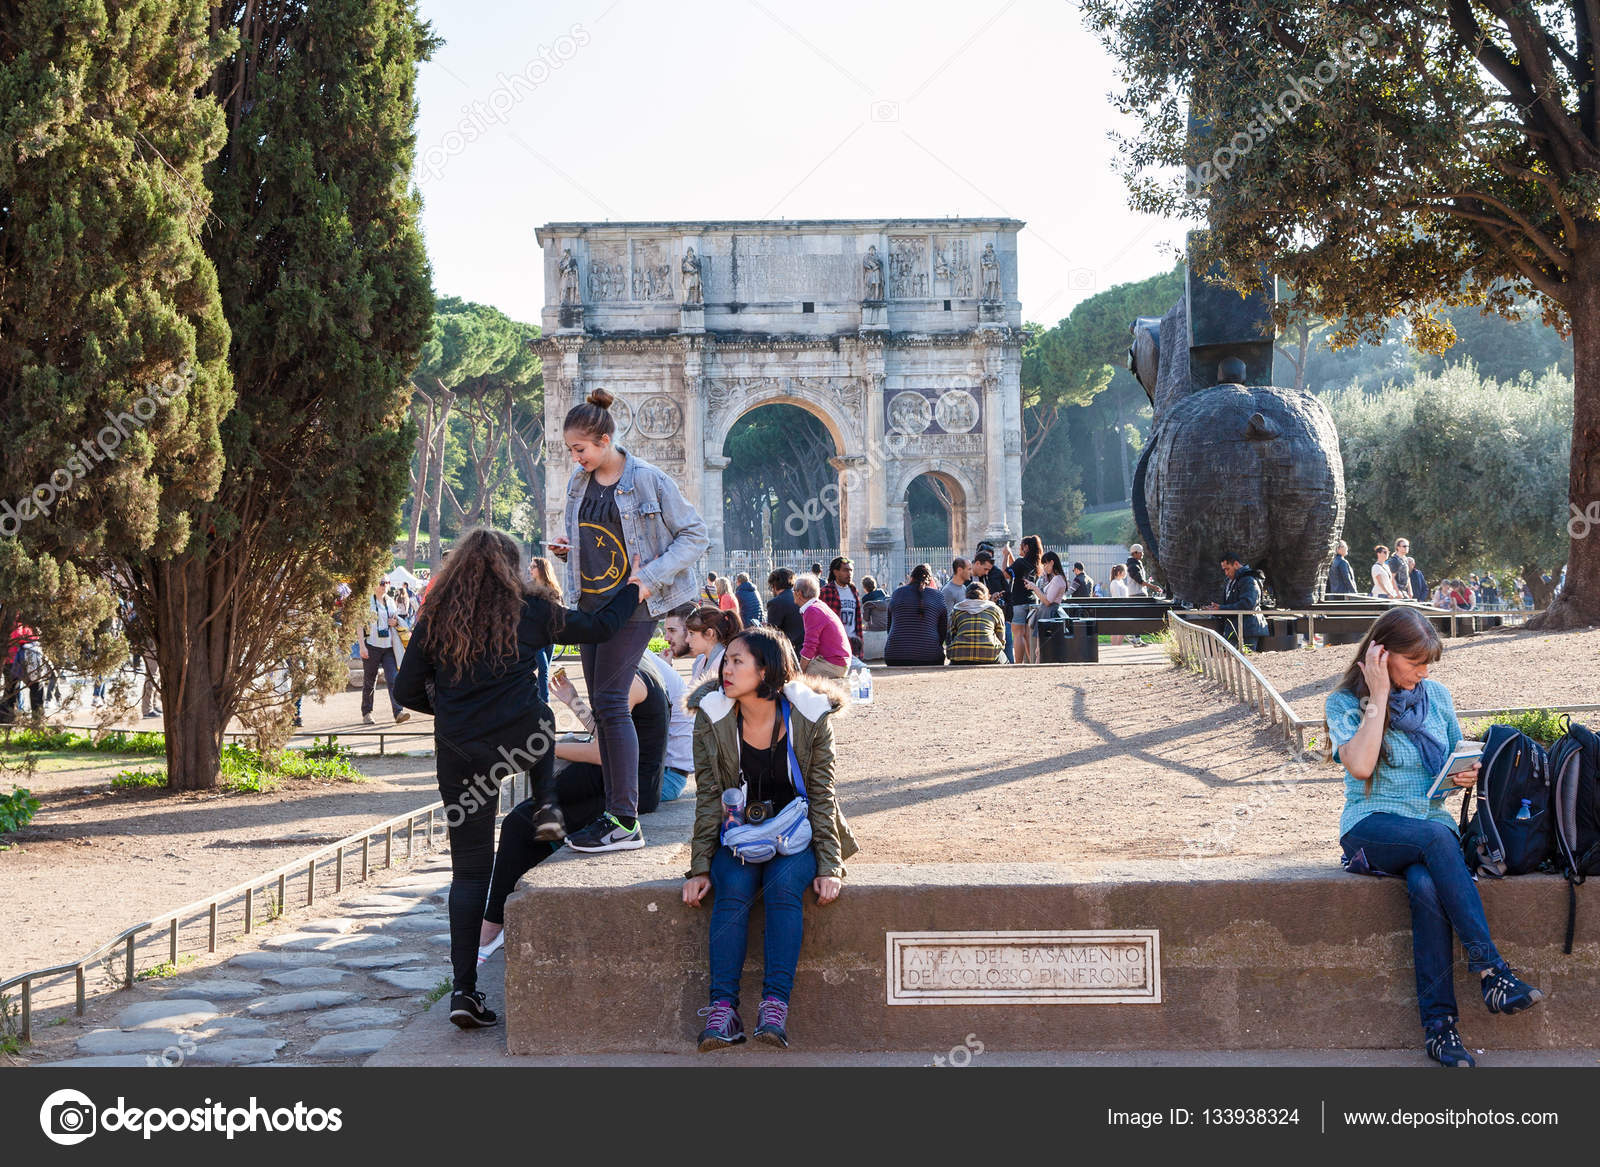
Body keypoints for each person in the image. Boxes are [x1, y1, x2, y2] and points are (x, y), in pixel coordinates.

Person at [392, 528, 641, 1028]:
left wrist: (447, 708)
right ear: (513, 567)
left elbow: (404, 688)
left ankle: (464, 990)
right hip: (519, 740)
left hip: (460, 752)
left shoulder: (437, 615)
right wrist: (634, 586)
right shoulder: (532, 611)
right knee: (540, 715)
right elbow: (599, 627)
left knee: (468, 871)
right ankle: (545, 800)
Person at [1325, 607, 1544, 1067]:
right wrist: (1379, 696)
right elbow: (1360, 766)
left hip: (1430, 829)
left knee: (1427, 883)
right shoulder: (1345, 703)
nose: (1423, 674)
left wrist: (1463, 775)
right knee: (1434, 839)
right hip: (1372, 826)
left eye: (1427, 665)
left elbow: (1452, 757)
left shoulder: (1436, 697)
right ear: (1381, 655)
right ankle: (1492, 970)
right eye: (1414, 663)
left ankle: (1440, 1030)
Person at [550, 387, 710, 855]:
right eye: (571, 451)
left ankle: (624, 819)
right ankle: (613, 812)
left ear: (603, 440)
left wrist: (649, 578)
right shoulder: (578, 484)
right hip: (589, 606)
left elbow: (695, 534)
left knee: (611, 701)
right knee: (603, 707)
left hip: (635, 604)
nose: (575, 458)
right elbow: (593, 540)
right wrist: (569, 549)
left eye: (580, 449)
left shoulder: (649, 479)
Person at [682, 626, 856, 1051]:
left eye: (738, 661)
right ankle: (723, 1012)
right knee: (734, 885)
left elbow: (822, 793)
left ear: (767, 670)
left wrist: (831, 865)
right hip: (738, 833)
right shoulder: (713, 716)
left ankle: (774, 1007)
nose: (726, 668)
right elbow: (708, 795)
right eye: (727, 660)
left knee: (782, 886)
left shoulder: (810, 717)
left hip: (797, 834)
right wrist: (700, 867)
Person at [477, 652, 674, 969]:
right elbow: (607, 734)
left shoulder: (629, 679)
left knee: (520, 823)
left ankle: (493, 928)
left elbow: (601, 751)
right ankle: (504, 920)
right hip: (618, 782)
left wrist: (540, 746)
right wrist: (573, 700)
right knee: (529, 818)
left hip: (622, 790)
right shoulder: (634, 665)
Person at [359, 582, 410, 726]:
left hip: (389, 647)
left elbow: (396, 620)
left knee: (393, 679)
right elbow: (359, 624)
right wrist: (362, 646)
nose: (385, 585)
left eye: (387, 583)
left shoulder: (390, 601)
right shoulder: (367, 601)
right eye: (382, 583)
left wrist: (394, 622)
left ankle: (398, 712)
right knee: (370, 681)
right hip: (372, 645)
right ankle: (367, 713)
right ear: (374, 584)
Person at [884, 563, 949, 667]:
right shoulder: (938, 596)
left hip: (894, 656)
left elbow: (890, 627)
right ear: (930, 580)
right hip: (929, 657)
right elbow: (943, 630)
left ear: (911, 578)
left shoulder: (897, 593)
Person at [1206, 552, 1266, 651]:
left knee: (1245, 661)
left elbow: (1247, 604)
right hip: (1236, 628)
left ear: (1236, 564)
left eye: (1227, 569)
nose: (1226, 573)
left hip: (1247, 630)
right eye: (1224, 570)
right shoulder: (1235, 580)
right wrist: (1218, 610)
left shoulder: (1248, 580)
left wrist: (1221, 608)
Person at [794, 573, 850, 678]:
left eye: (793, 591)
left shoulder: (812, 610)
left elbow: (810, 647)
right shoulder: (818, 606)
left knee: (797, 680)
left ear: (798, 593)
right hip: (838, 661)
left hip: (833, 664)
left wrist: (799, 673)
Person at [528, 557, 562, 707]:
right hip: (535, 636)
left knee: (545, 670)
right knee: (543, 668)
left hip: (550, 636)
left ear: (541, 569)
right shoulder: (528, 588)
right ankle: (545, 703)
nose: (530, 569)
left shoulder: (553, 589)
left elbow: (560, 611)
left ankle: (537, 702)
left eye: (533, 566)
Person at [946, 581, 1005, 665]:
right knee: (1006, 661)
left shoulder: (957, 609)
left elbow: (952, 634)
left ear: (966, 595)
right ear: (986, 595)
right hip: (989, 653)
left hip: (959, 654)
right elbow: (1001, 637)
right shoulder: (995, 609)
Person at [972, 548, 1014, 663]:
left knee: (1007, 647)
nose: (986, 572)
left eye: (988, 570)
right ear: (977, 563)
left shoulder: (993, 573)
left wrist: (1009, 618)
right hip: (979, 622)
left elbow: (1008, 595)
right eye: (985, 569)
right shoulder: (967, 577)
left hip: (997, 619)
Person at [1005, 536, 1042, 664]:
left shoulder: (1021, 562)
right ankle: (1031, 661)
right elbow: (1016, 569)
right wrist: (1010, 555)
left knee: (1018, 634)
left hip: (1018, 602)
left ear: (1026, 547)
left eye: (1021, 545)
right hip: (1032, 602)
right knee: (1027, 635)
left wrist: (1005, 556)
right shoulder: (1034, 564)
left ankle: (1018, 663)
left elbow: (1006, 573)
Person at [685, 605, 742, 686]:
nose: (687, 640)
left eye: (691, 633)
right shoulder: (703, 660)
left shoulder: (722, 664)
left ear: (709, 633)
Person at [819, 556, 863, 658]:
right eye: (845, 570)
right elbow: (821, 621)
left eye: (851, 570)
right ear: (835, 572)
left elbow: (858, 621)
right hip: (834, 644)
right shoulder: (826, 591)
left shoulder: (853, 590)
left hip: (853, 644)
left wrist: (860, 644)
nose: (849, 573)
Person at [764, 568, 806, 659]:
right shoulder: (800, 597)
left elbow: (771, 633)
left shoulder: (775, 602)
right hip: (804, 649)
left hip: (787, 652)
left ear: (774, 585)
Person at [859, 575, 890, 661]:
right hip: (888, 626)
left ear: (865, 588)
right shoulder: (884, 594)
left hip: (875, 628)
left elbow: (866, 619)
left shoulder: (866, 600)